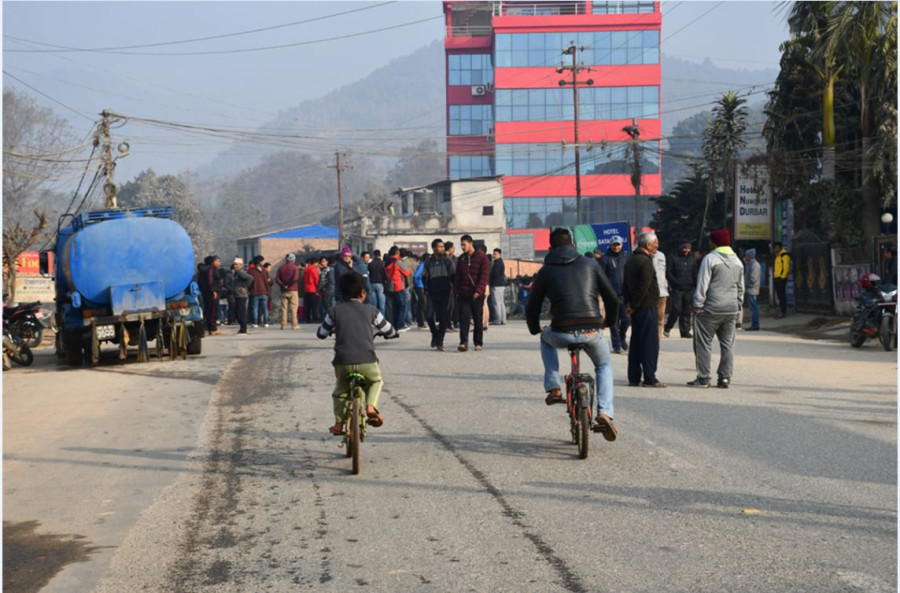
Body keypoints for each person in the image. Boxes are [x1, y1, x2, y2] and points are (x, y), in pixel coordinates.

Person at [525, 227, 620, 441]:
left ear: (551, 248)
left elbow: (532, 306)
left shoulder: (546, 270)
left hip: (561, 330)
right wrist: (609, 322)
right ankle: (605, 413)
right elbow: (613, 299)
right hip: (591, 330)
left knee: (545, 338)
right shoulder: (591, 263)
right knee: (603, 365)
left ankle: (553, 387)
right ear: (573, 246)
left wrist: (534, 328)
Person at [317, 272, 399, 436]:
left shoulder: (334, 311)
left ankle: (339, 423)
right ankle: (371, 406)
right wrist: (392, 334)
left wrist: (332, 330)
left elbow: (321, 333)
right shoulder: (371, 311)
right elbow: (389, 330)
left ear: (341, 293)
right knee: (376, 381)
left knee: (340, 392)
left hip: (343, 362)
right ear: (363, 293)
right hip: (367, 360)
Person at [688, 229, 745, 389]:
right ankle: (725, 378)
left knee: (703, 343)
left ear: (715, 242)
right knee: (728, 345)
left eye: (711, 241)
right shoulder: (738, 261)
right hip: (731, 309)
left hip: (711, 309)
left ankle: (703, 378)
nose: (709, 243)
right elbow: (741, 287)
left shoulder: (710, 259)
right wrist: (738, 305)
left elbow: (702, 284)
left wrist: (697, 305)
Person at [623, 232, 666, 388]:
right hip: (646, 306)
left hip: (635, 307)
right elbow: (644, 285)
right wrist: (634, 304)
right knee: (649, 343)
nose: (657, 245)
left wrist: (629, 304)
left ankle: (634, 377)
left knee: (636, 342)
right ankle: (650, 377)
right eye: (655, 243)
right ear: (648, 245)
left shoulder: (631, 260)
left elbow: (625, 284)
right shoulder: (645, 262)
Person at [454, 234, 489, 352]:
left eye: (464, 245)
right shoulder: (461, 259)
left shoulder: (482, 257)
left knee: (477, 319)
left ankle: (478, 343)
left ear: (471, 243)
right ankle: (463, 342)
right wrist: (456, 291)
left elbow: (484, 276)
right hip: (463, 294)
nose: (463, 247)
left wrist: (479, 291)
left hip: (477, 294)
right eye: (461, 245)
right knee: (463, 319)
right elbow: (457, 277)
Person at [422, 238, 455, 350]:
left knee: (443, 317)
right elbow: (424, 275)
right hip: (431, 292)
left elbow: (453, 275)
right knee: (429, 316)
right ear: (434, 248)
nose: (442, 248)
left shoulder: (447, 260)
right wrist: (425, 287)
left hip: (445, 292)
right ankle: (434, 333)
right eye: (440, 246)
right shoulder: (428, 261)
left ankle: (440, 341)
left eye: (443, 246)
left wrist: (453, 288)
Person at [599, 236, 629, 353]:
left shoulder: (626, 258)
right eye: (614, 245)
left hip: (624, 294)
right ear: (610, 245)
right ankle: (616, 345)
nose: (616, 247)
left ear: (621, 245)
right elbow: (601, 277)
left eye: (618, 245)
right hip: (611, 295)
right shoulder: (604, 259)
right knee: (614, 321)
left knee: (627, 319)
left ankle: (622, 337)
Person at [664, 241, 698, 339]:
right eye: (685, 248)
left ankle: (685, 331)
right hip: (677, 289)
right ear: (680, 248)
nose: (687, 251)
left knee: (687, 311)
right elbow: (668, 272)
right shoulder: (672, 257)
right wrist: (675, 282)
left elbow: (695, 273)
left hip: (689, 289)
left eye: (688, 249)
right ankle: (668, 327)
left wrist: (697, 285)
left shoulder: (692, 259)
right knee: (676, 309)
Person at [384, 246, 411, 332]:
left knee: (394, 306)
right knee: (402, 306)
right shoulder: (397, 262)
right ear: (397, 253)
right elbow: (407, 272)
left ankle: (395, 324)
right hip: (398, 286)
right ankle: (400, 325)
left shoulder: (387, 262)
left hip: (390, 287)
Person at [197, 255, 222, 336]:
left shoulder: (204, 270)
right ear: (212, 262)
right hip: (212, 293)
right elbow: (210, 281)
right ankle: (213, 328)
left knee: (207, 310)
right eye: (217, 261)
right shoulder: (211, 269)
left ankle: (206, 328)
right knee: (213, 310)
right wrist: (213, 290)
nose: (219, 263)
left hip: (205, 292)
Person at [276, 253, 301, 330]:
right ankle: (294, 325)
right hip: (293, 290)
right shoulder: (295, 268)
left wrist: (283, 285)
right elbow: (295, 278)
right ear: (293, 260)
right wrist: (288, 284)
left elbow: (277, 279)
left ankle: (283, 325)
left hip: (284, 291)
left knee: (284, 308)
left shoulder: (281, 268)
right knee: (294, 308)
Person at [248, 255, 271, 327]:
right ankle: (266, 322)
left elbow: (249, 282)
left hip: (255, 292)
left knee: (255, 307)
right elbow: (268, 281)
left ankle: (255, 323)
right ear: (260, 262)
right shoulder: (265, 271)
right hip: (264, 291)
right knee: (265, 307)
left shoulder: (251, 271)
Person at [232, 257, 252, 334]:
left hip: (241, 295)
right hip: (237, 294)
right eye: (234, 264)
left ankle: (243, 329)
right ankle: (242, 327)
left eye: (236, 264)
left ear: (240, 265)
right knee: (238, 312)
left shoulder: (241, 272)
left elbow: (250, 278)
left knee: (241, 312)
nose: (235, 266)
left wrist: (244, 286)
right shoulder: (236, 272)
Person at [743, 249, 761, 331]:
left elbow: (753, 279)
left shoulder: (755, 265)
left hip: (752, 289)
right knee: (752, 308)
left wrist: (746, 285)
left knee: (754, 308)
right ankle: (754, 324)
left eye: (746, 256)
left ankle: (755, 324)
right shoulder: (750, 264)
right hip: (750, 289)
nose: (745, 257)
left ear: (749, 256)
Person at [489, 248, 508, 325]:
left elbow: (495, 273)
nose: (494, 256)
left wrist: (490, 274)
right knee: (501, 303)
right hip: (501, 284)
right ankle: (503, 319)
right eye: (493, 254)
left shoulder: (497, 263)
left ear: (499, 254)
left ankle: (498, 319)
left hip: (497, 284)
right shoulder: (500, 262)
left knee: (497, 302)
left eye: (495, 254)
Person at [654, 247, 668, 341]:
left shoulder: (661, 255)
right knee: (649, 320)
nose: (656, 245)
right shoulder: (642, 256)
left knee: (660, 320)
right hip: (649, 293)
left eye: (657, 243)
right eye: (654, 243)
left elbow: (664, 272)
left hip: (662, 292)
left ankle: (657, 343)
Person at [773, 241, 791, 318]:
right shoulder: (777, 256)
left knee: (782, 295)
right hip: (777, 277)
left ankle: (783, 311)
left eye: (777, 247)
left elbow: (786, 267)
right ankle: (781, 311)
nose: (776, 249)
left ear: (780, 248)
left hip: (781, 278)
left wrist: (782, 277)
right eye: (775, 248)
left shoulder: (784, 255)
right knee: (779, 296)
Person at [303, 256, 323, 323]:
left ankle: (307, 318)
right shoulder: (314, 269)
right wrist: (318, 289)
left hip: (306, 289)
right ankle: (315, 318)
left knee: (307, 305)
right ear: (315, 263)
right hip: (313, 289)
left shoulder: (306, 269)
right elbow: (316, 279)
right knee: (314, 305)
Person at [368, 249, 387, 315]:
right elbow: (385, 275)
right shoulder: (383, 264)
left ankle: (373, 318)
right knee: (381, 304)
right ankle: (381, 319)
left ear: (374, 255)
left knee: (373, 303)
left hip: (372, 283)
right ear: (380, 255)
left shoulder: (370, 264)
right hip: (380, 284)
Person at [412, 254, 427, 328]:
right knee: (422, 304)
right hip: (420, 286)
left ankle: (421, 321)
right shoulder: (422, 265)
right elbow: (415, 276)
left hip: (422, 286)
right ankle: (421, 322)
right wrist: (417, 283)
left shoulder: (424, 265)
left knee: (421, 304)